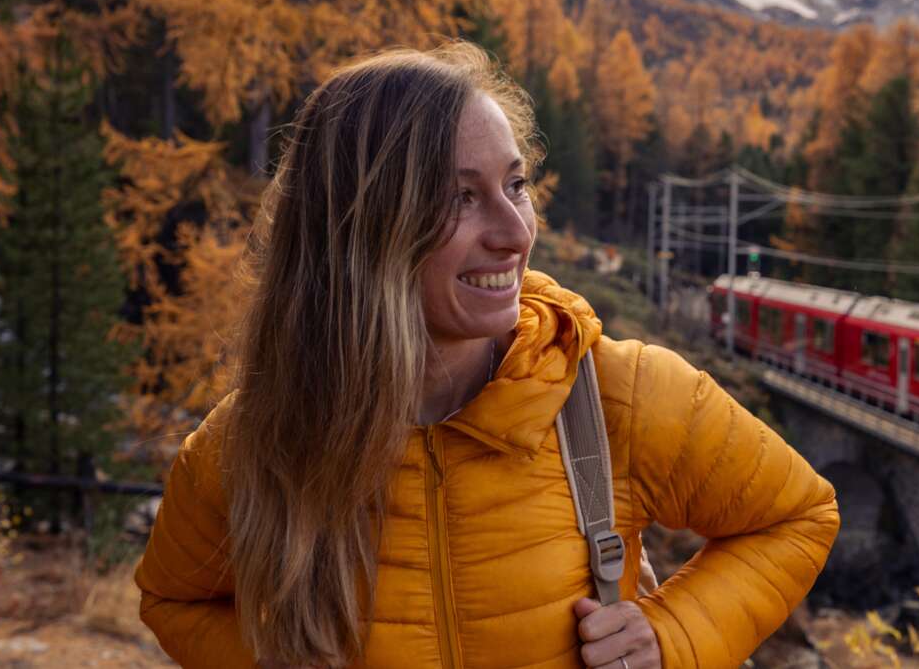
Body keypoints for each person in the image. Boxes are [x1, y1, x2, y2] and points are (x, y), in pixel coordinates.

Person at [135, 41, 840, 668]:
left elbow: (798, 515)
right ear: (357, 231)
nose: (515, 232)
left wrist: (673, 635)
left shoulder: (617, 393)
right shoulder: (251, 444)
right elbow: (175, 600)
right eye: (460, 198)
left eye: (516, 186)